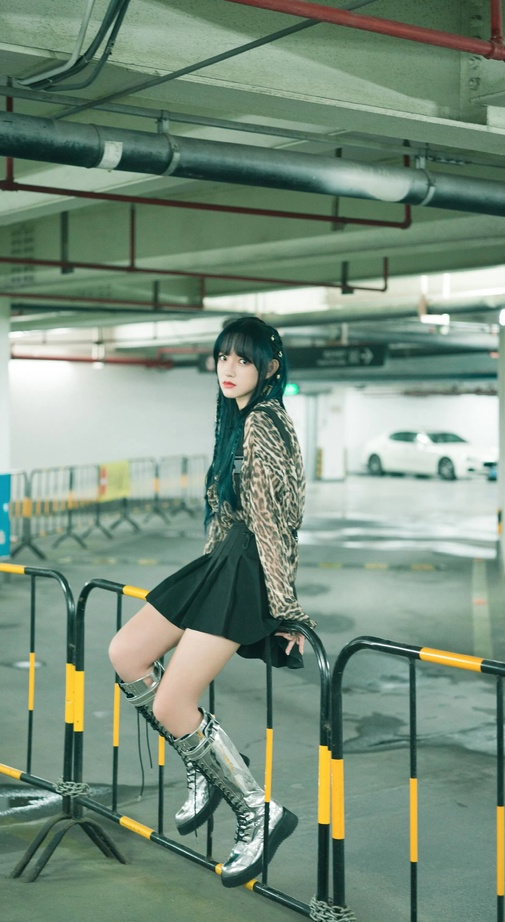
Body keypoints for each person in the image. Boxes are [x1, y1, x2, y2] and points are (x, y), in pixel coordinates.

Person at [108, 315, 315, 888]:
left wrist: (286, 608)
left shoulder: (265, 423)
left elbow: (275, 523)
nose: (230, 368)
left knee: (174, 702)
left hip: (249, 568)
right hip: (224, 560)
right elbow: (225, 514)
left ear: (269, 368)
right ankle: (202, 763)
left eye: (244, 360)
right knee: (127, 653)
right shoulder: (237, 421)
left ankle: (257, 810)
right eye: (224, 357)